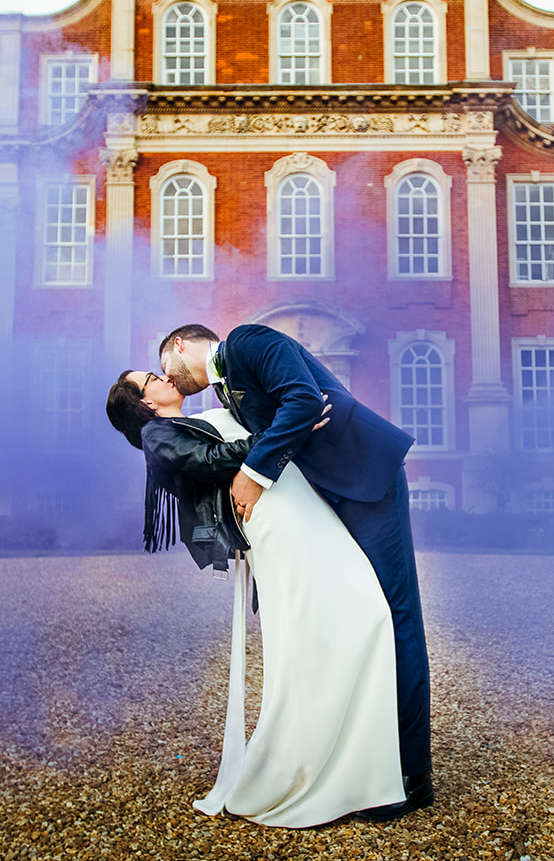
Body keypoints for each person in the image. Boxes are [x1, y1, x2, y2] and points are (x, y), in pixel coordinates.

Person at [105, 370, 406, 828]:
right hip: (274, 520)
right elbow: (211, 461)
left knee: (363, 617)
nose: (163, 375)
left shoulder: (204, 415)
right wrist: (287, 429)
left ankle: (364, 775)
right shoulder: (157, 435)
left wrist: (290, 424)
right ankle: (336, 777)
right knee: (336, 626)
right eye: (151, 378)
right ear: (144, 402)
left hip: (298, 507)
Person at [159, 322, 433, 821]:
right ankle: (366, 762)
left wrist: (253, 473)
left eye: (164, 369)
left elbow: (303, 400)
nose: (169, 380)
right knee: (360, 614)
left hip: (367, 481)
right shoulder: (227, 390)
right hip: (330, 495)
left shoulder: (246, 342)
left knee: (395, 617)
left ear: (180, 344)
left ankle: (414, 775)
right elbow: (299, 409)